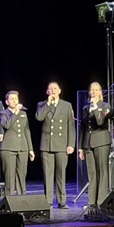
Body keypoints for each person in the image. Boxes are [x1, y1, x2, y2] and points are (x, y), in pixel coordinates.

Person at [35, 81, 76, 209]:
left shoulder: (67, 105)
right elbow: (39, 117)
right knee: (47, 175)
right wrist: (48, 104)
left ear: (59, 91)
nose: (52, 91)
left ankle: (61, 201)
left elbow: (71, 126)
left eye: (55, 88)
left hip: (62, 144)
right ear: (47, 92)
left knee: (61, 174)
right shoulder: (42, 104)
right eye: (50, 89)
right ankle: (47, 201)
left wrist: (71, 144)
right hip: (46, 145)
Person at [78, 81, 111, 210]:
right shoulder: (85, 108)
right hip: (88, 143)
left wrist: (96, 107)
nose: (93, 92)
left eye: (96, 90)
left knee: (102, 171)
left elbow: (100, 122)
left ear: (100, 92)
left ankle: (101, 201)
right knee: (91, 173)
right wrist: (81, 147)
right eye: (91, 90)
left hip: (101, 142)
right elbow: (83, 127)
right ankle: (92, 202)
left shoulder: (105, 106)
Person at [0, 90, 34, 196]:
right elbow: (6, 125)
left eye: (16, 99)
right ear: (7, 102)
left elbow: (26, 131)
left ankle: (21, 197)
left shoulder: (23, 114)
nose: (14, 101)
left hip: (23, 147)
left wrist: (30, 149)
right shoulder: (3, 113)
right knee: (9, 175)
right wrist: (15, 113)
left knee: (22, 174)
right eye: (12, 99)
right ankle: (9, 199)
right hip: (8, 148)